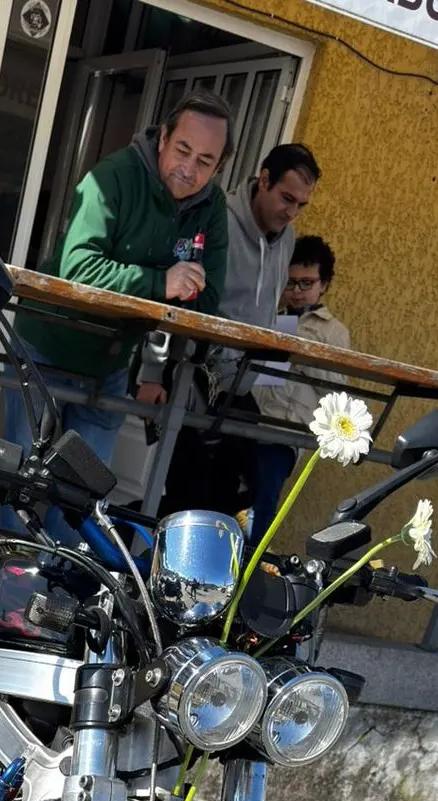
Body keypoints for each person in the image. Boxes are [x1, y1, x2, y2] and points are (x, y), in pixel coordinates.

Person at [5, 91, 233, 497]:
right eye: (183, 150)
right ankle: (7, 542)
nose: (189, 168)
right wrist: (161, 284)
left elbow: (208, 298)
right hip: (46, 347)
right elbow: (78, 269)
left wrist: (156, 360)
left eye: (205, 161)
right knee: (24, 482)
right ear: (163, 138)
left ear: (219, 167)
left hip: (111, 363)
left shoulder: (213, 205)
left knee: (83, 494)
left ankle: (66, 544)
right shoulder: (113, 175)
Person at [160, 142, 321, 520]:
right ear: (263, 180)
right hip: (194, 373)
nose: (292, 212)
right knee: (188, 497)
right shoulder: (220, 220)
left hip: (239, 386)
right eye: (286, 198)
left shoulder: (288, 239)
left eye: (301, 205)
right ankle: (145, 549)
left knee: (243, 494)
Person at [249, 236, 351, 538]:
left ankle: (250, 561)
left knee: (262, 503)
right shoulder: (272, 316)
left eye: (306, 283)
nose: (296, 291)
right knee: (233, 495)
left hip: (288, 433)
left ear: (324, 284)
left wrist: (305, 351)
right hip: (250, 422)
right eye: (291, 282)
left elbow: (336, 391)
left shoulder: (333, 331)